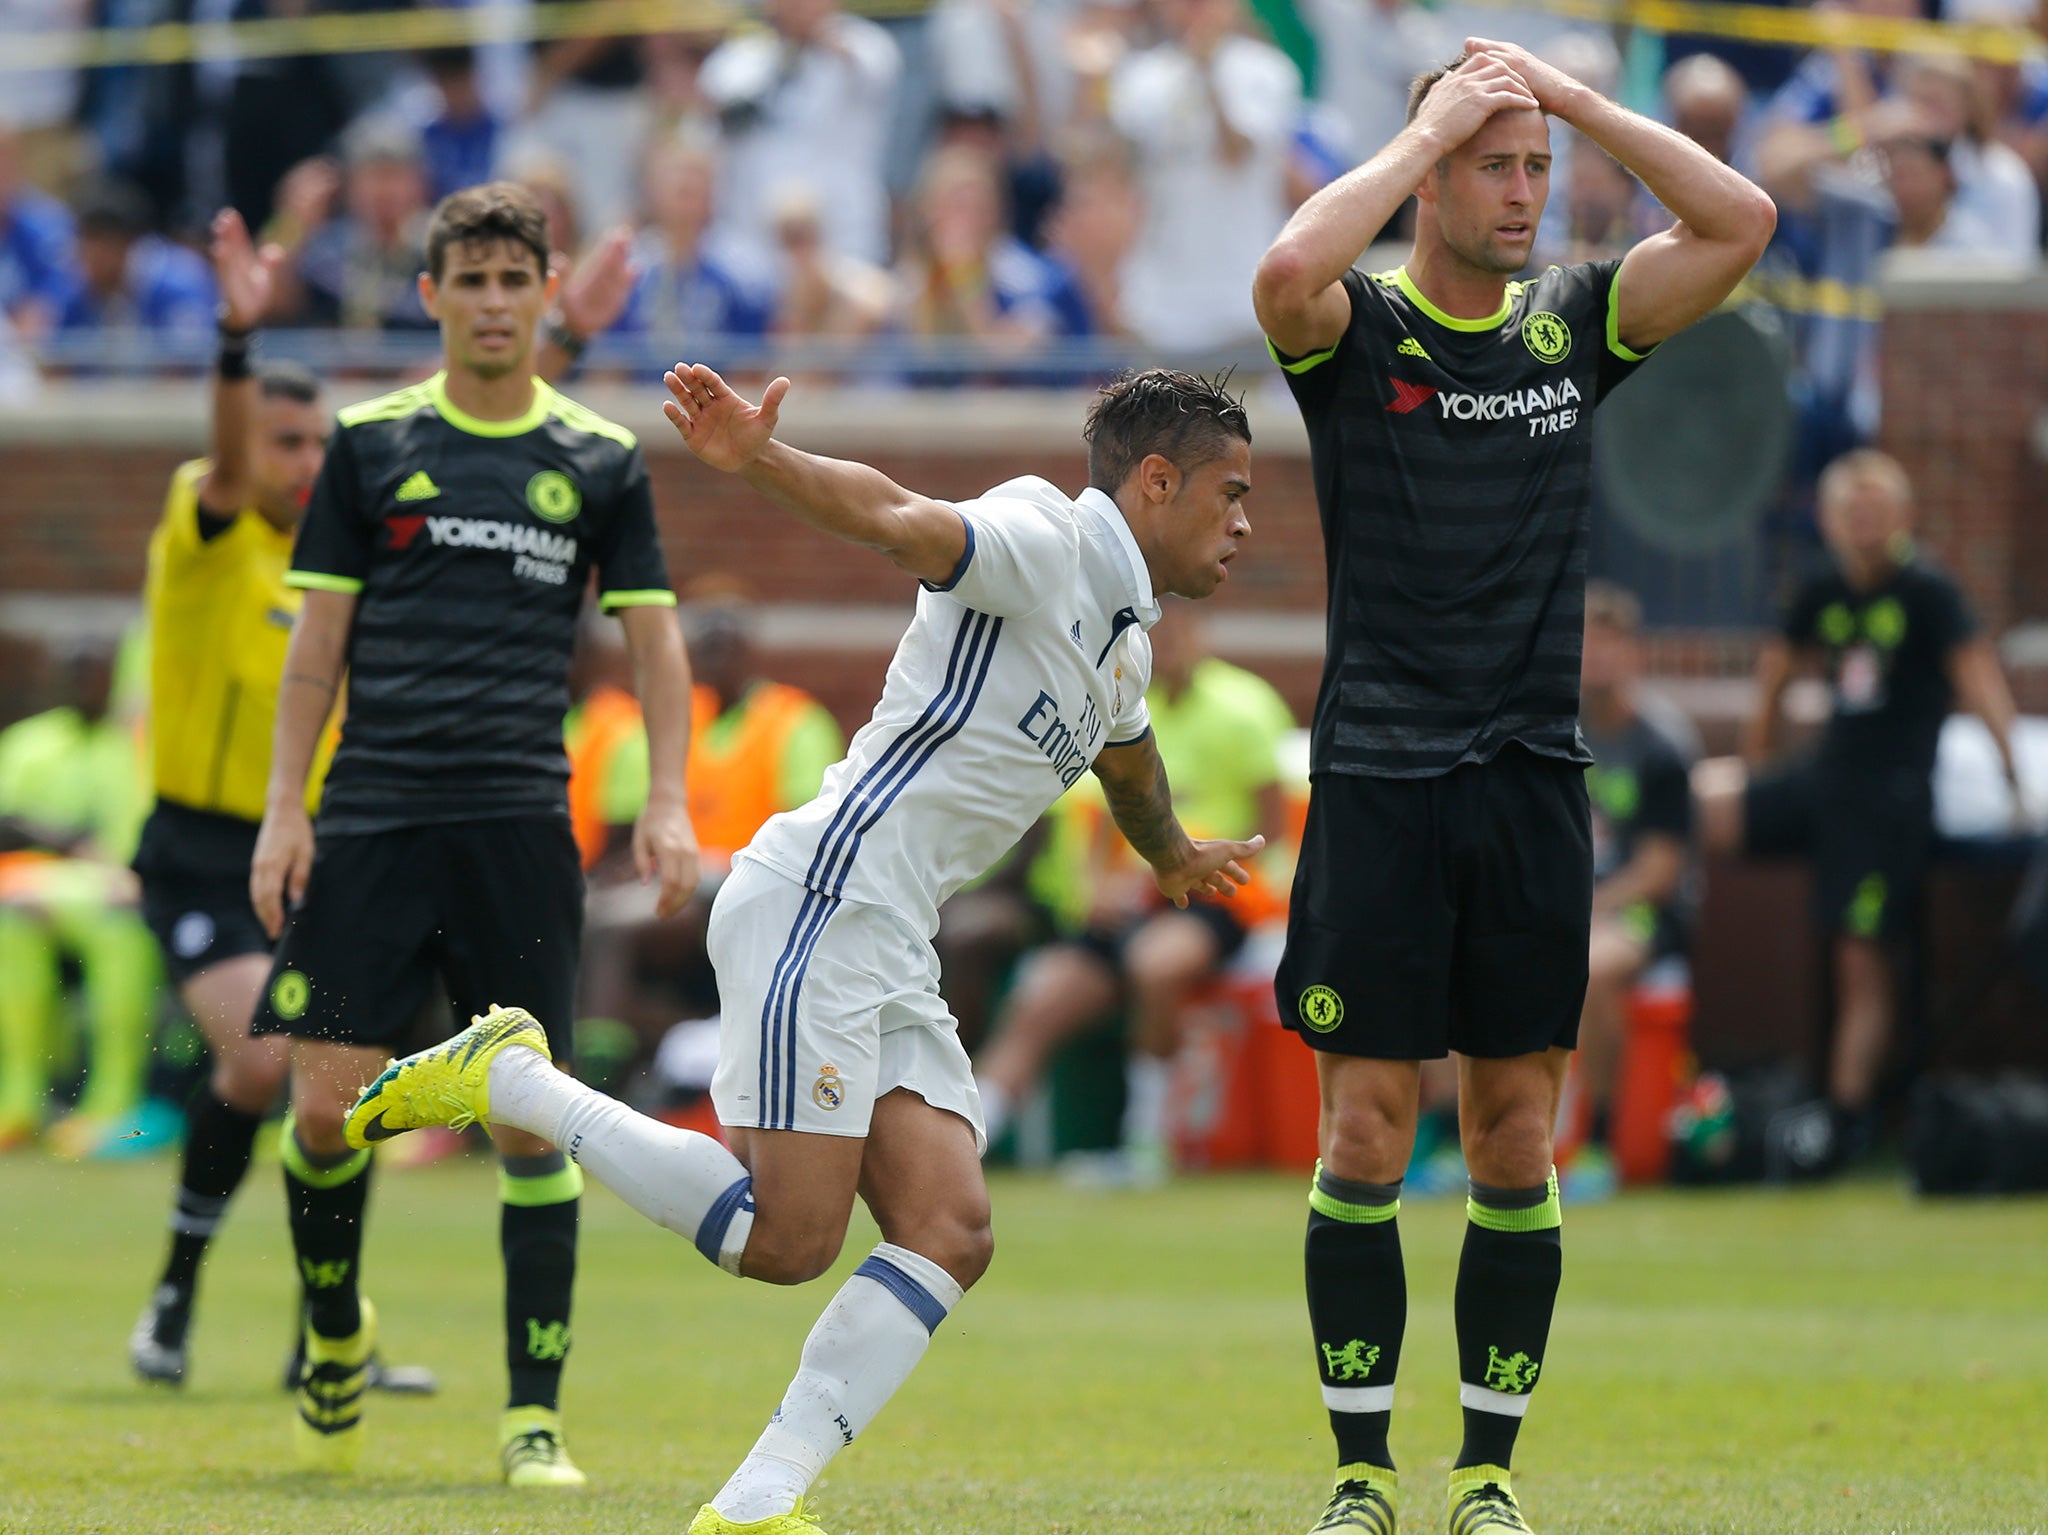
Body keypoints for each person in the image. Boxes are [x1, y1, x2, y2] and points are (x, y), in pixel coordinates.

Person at [344, 362, 1262, 1535]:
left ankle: (752, 1504)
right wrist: (760, 458)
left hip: (888, 933)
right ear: (1152, 480)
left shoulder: (1125, 642)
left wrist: (1173, 852)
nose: (1242, 521)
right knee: (788, 1240)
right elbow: (894, 517)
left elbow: (1127, 765)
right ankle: (512, 1078)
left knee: (950, 1230)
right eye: (1227, 491)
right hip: (822, 895)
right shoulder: (1045, 535)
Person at [1252, 38, 1774, 1535]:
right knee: (1362, 1133)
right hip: (1377, 783)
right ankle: (1361, 1471)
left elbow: (1742, 225)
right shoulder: (1362, 331)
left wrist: (1577, 103)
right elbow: (1288, 268)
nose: (1527, 193)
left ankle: (1486, 1472)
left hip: (1532, 784)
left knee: (1513, 1139)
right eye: (1502, 163)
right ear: (1434, 168)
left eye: (1539, 169)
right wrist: (1430, 134)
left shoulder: (1579, 322)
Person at [245, 180, 700, 1485]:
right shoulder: (366, 443)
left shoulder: (600, 460)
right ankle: (335, 1333)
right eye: (472, 280)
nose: (495, 302)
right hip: (375, 811)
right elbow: (314, 647)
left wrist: (665, 795)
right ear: (432, 294)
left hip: (517, 819)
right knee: (327, 1113)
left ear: (547, 294)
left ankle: (532, 1420)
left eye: (517, 279)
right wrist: (288, 805)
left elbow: (655, 644)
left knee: (528, 1119)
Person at [1693, 449, 2022, 1176]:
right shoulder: (1821, 588)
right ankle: (1685, 1003)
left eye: (1878, 510)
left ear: (1902, 517)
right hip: (1826, 779)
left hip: (1889, 800)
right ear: (1831, 521)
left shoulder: (1928, 591)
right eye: (1852, 511)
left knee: (1858, 959)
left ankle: (1844, 1121)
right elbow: (1775, 674)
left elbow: (1978, 675)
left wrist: (2011, 773)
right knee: (1706, 802)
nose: (1864, 525)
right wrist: (1757, 759)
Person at [973, 604, 1295, 1185]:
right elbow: (1090, 836)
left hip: (1215, 898)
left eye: (1176, 631)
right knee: (1044, 992)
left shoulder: (1247, 708)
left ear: (1201, 633)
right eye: (1150, 635)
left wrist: (1239, 887)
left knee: (1157, 965)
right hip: (1127, 907)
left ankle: (1145, 1144)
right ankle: (967, 1141)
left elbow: (1275, 837)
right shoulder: (1109, 706)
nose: (1164, 644)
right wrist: (1095, 893)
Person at [1562, 581, 1695, 1204]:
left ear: (1634, 654)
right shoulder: (1550, 732)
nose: (1599, 659)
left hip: (1641, 914)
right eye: (1588, 645)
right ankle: (1453, 1136)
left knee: (1588, 967)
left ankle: (1600, 1139)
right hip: (1563, 906)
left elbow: (1660, 871)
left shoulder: (1661, 745)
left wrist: (1586, 908)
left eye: (1612, 645)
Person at [0, 638, 154, 1155]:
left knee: (122, 925)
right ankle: (20, 1100)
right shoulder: (28, 743)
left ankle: (111, 1104)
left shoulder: (129, 750)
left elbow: (134, 846)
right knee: (10, 920)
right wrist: (62, 841)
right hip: (28, 889)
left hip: (107, 896)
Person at [1110, 0, 1301, 354]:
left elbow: (1237, 153)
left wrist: (1206, 73)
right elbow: (1120, 171)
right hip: (1156, 308)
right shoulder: (1139, 74)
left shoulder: (1266, 69)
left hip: (1241, 304)